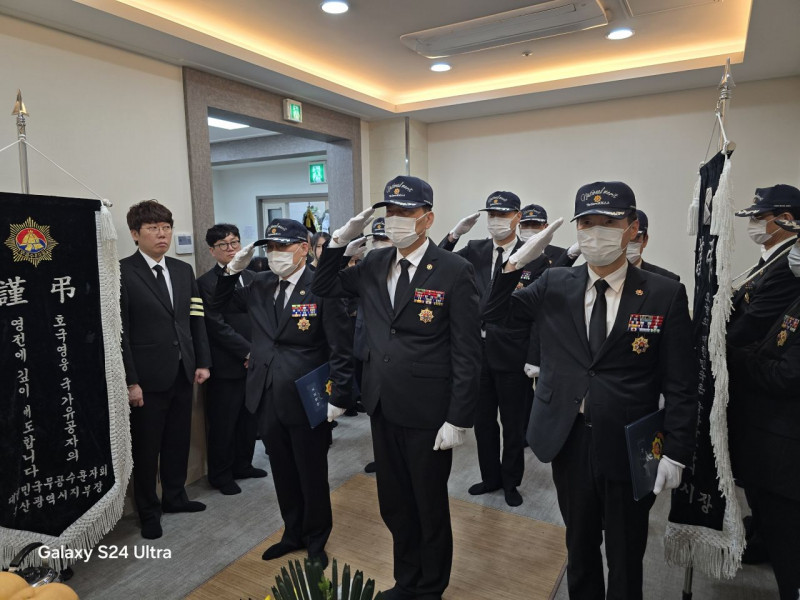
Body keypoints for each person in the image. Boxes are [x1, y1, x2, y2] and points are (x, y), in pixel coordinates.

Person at [483, 181, 698, 600]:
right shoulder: (555, 282)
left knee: (625, 551)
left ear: (631, 228)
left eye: (608, 223)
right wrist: (513, 265)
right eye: (586, 223)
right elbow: (496, 314)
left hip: (629, 440)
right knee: (579, 545)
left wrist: (676, 450)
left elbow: (681, 383)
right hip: (568, 436)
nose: (596, 232)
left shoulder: (664, 293)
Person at [312, 175, 481, 600]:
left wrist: (459, 417)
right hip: (382, 402)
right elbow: (324, 286)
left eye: (406, 212)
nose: (396, 219)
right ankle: (406, 580)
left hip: (428, 410)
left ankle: (431, 587)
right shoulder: (374, 262)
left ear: (428, 218)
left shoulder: (454, 270)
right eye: (391, 212)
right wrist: (337, 243)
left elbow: (467, 351)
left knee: (428, 503)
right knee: (395, 502)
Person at [214, 218, 354, 570]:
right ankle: (292, 533)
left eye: (283, 246)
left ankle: (316, 540)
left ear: (304, 248)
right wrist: (231, 272)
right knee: (282, 469)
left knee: (311, 472)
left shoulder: (322, 286)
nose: (276, 254)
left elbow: (340, 347)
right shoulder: (260, 282)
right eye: (271, 247)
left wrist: (339, 395)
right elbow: (218, 303)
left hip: (307, 396)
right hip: (266, 392)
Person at [120, 200, 211, 540]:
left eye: (166, 227)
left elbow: (195, 318)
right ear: (135, 234)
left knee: (177, 440)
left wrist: (202, 361)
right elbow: (121, 333)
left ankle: (175, 496)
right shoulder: (122, 273)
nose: (162, 234)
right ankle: (148, 510)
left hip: (182, 370)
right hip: (146, 378)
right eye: (153, 228)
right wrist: (131, 381)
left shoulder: (182, 270)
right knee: (147, 449)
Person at [439, 192, 528, 506]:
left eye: (502, 215)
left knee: (513, 424)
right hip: (476, 351)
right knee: (484, 422)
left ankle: (511, 482)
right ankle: (490, 477)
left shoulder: (530, 254)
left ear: (517, 217)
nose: (496, 221)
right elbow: (437, 263)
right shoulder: (475, 250)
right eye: (492, 215)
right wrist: (453, 236)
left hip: (512, 352)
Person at [727, 216, 800, 600]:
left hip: (787, 442)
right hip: (773, 434)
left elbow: (786, 374)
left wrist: (734, 357)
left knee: (790, 549)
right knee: (776, 526)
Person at [196, 223, 266, 496]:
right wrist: (247, 351)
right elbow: (215, 324)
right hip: (226, 363)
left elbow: (262, 316)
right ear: (212, 251)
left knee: (249, 419)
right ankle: (220, 475)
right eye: (223, 245)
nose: (231, 248)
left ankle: (243, 465)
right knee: (224, 423)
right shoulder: (205, 283)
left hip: (255, 362)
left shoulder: (254, 277)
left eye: (234, 242)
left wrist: (259, 351)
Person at [625, 209, 680, 281]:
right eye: (623, 237)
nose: (627, 242)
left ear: (645, 240)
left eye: (635, 238)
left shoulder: (668, 280)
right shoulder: (609, 277)